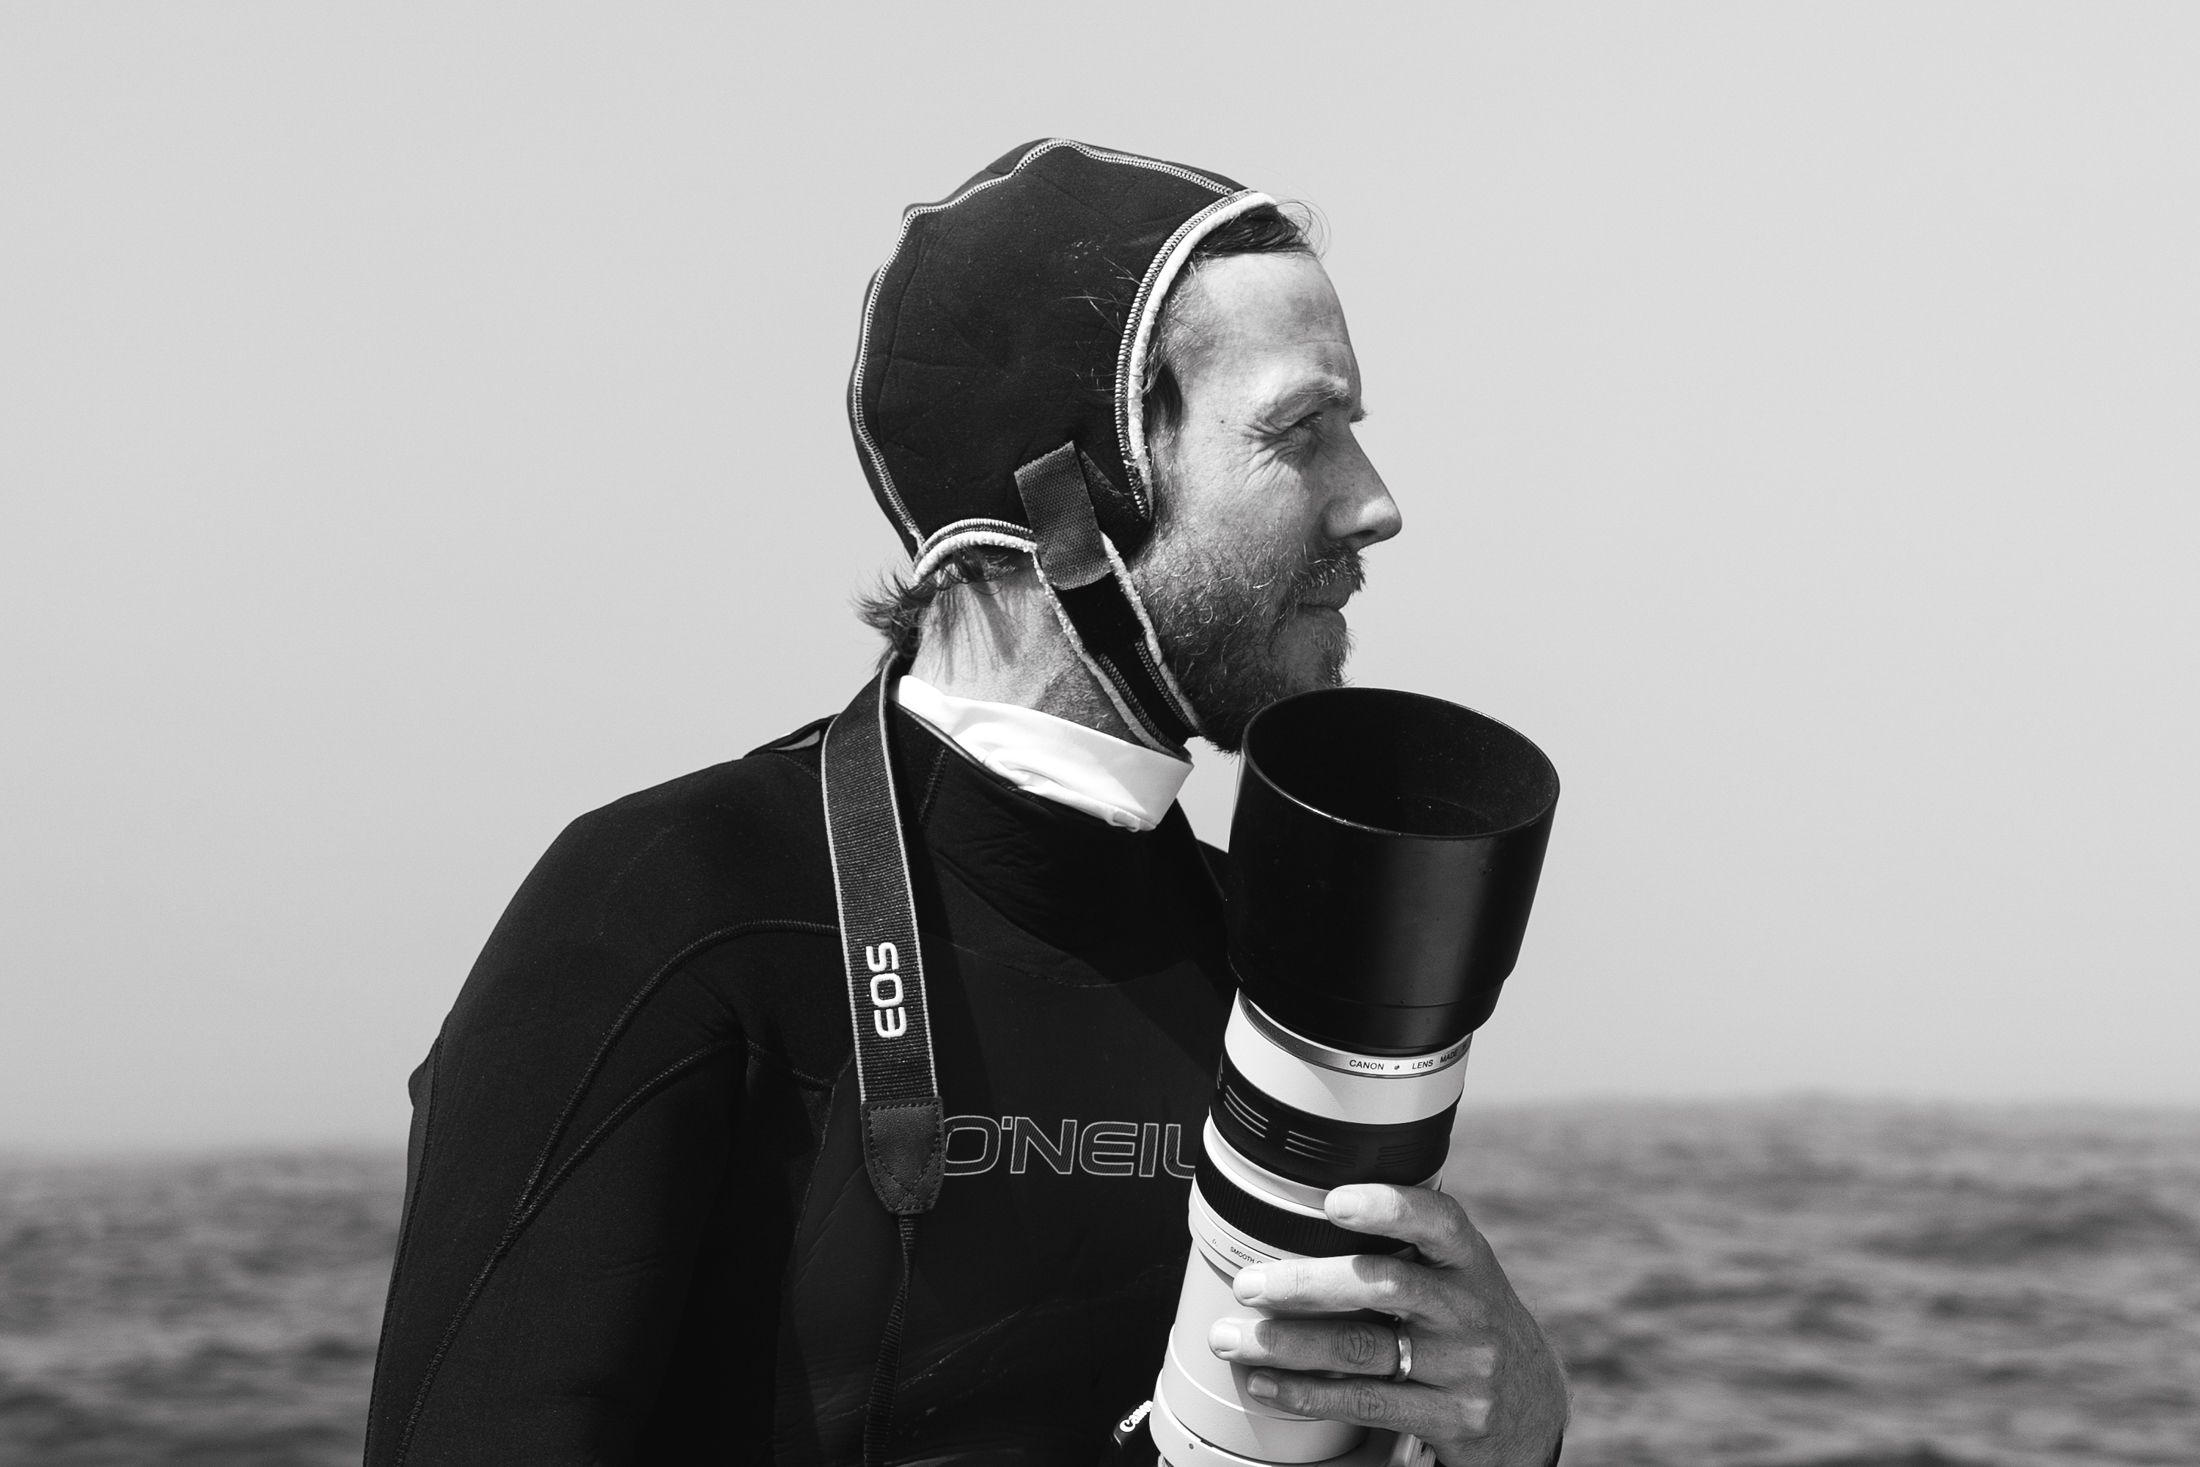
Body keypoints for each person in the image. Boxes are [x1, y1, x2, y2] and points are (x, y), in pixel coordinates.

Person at [364, 139, 1569, 1467]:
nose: (1374, 503)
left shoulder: (1273, 963)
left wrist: (1507, 1439)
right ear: (1070, 504)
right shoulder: (661, 910)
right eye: (1303, 431)